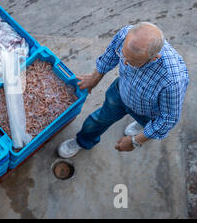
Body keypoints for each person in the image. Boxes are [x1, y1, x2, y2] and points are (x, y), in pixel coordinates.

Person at [57, 22, 189, 158]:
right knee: (99, 120)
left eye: (132, 61)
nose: (124, 63)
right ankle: (83, 141)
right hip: (121, 93)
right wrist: (94, 78)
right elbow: (110, 55)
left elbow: (168, 120)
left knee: (148, 126)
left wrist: (135, 141)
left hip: (148, 111)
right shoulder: (126, 34)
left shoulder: (173, 80)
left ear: (154, 58)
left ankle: (141, 127)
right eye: (124, 56)